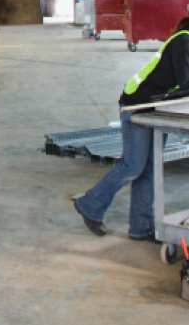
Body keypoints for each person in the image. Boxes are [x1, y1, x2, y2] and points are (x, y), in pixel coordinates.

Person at [75, 16, 189, 240]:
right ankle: (89, 204)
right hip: (137, 106)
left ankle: (141, 228)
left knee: (150, 169)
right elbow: (187, 83)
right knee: (133, 166)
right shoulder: (183, 41)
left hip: (154, 107)